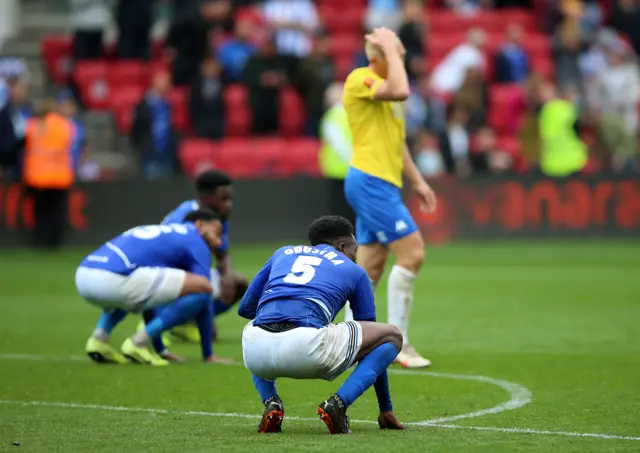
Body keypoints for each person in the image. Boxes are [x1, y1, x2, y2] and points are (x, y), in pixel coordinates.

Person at [239, 215, 405, 434]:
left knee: (258, 322)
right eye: (354, 249)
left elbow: (245, 308)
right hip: (307, 349)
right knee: (391, 335)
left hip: (255, 352)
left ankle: (271, 403)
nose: (355, 255)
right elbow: (373, 342)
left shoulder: (282, 253)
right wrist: (386, 408)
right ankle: (337, 404)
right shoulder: (354, 271)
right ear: (342, 246)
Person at [342, 27, 437, 368]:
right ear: (376, 58)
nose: (402, 62)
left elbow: (398, 147)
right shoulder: (359, 79)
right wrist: (390, 53)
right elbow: (400, 88)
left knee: (368, 269)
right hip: (369, 181)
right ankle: (400, 344)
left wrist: (419, 182)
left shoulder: (390, 99)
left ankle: (347, 340)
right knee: (412, 254)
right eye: (397, 56)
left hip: (381, 182)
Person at [80, 208, 222, 366]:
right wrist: (208, 353)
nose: (219, 241)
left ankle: (99, 339)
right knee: (201, 290)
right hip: (114, 278)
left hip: (84, 273)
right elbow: (205, 288)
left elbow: (151, 299)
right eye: (217, 232)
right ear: (200, 224)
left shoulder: (166, 232)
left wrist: (161, 351)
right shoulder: (195, 239)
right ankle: (138, 343)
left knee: (139, 289)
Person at [142, 170, 249, 355]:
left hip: (193, 271)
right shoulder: (183, 217)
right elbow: (168, 260)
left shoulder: (218, 217)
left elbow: (222, 253)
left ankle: (183, 323)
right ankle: (163, 319)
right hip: (167, 273)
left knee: (239, 284)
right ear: (206, 198)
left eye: (230, 199)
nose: (229, 205)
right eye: (224, 199)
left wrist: (228, 275)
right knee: (201, 287)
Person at [22, 99, 75, 249]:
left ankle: (40, 242)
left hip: (38, 178)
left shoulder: (32, 125)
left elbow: (24, 144)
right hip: (59, 177)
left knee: (40, 213)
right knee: (56, 213)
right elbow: (69, 144)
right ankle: (55, 243)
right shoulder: (63, 125)